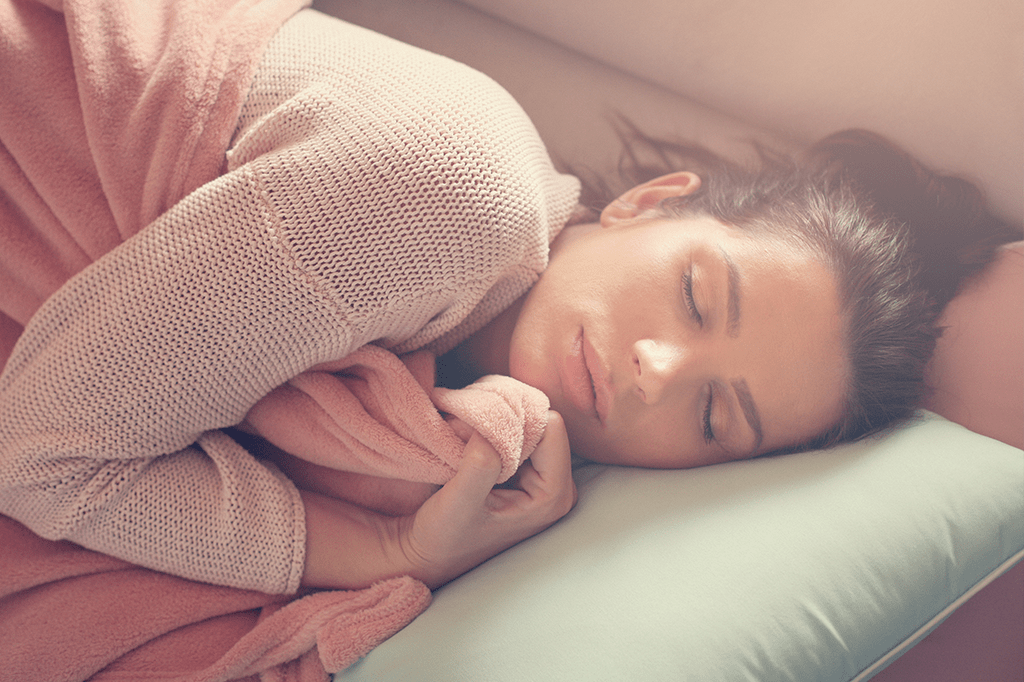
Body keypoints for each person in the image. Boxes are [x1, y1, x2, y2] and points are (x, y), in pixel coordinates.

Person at [0, 3, 1018, 603]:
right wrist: (386, 557)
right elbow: (42, 454)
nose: (656, 371)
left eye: (714, 416)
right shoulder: (459, 197)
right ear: (647, 204)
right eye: (698, 297)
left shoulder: (446, 402)